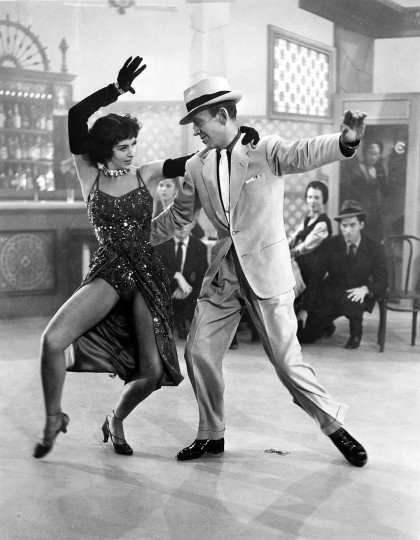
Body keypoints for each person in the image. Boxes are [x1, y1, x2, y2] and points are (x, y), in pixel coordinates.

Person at [33, 58, 259, 459]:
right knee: (52, 340)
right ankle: (54, 418)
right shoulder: (89, 175)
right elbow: (75, 115)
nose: (131, 153)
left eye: (133, 145)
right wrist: (115, 90)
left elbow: (200, 158)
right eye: (123, 148)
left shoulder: (148, 173)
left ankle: (116, 418)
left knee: (152, 373)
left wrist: (240, 139)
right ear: (103, 151)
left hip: (146, 277)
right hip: (108, 272)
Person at [151, 75, 369, 467]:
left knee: (286, 362)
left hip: (267, 274)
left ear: (222, 115)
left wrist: (346, 141)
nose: (195, 131)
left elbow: (304, 152)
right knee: (198, 351)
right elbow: (179, 217)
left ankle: (336, 427)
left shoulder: (265, 150)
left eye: (199, 122)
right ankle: (211, 433)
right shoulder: (196, 167)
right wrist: (134, 238)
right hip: (223, 276)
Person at [297, 200, 388, 349]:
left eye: (352, 225)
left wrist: (366, 290)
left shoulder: (375, 248)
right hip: (330, 295)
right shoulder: (329, 244)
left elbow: (383, 282)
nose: (347, 230)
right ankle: (326, 325)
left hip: (355, 295)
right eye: (344, 226)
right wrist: (305, 309)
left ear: (361, 225)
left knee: (351, 300)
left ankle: (356, 333)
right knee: (302, 335)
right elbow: (316, 279)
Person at [155, 220, 208, 339]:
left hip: (188, 289)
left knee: (201, 290)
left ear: (193, 225)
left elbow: (203, 275)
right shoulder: (161, 245)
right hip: (166, 288)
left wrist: (185, 288)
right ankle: (172, 322)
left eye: (186, 223)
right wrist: (176, 275)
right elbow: (156, 269)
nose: (182, 228)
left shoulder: (199, 246)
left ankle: (182, 320)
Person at [288, 180, 332, 303]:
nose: (312, 201)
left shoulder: (323, 223)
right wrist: (284, 247)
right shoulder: (308, 220)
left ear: (324, 199)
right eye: (310, 197)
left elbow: (306, 247)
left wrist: (289, 253)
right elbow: (295, 236)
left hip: (313, 268)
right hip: (301, 263)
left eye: (317, 197)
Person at [340, 140, 387, 241]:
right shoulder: (358, 169)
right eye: (370, 153)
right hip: (363, 210)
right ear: (365, 153)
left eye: (376, 154)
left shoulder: (379, 170)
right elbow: (351, 192)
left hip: (376, 211)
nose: (373, 157)